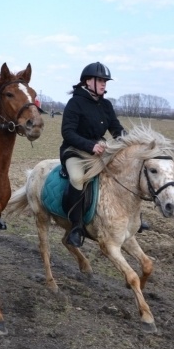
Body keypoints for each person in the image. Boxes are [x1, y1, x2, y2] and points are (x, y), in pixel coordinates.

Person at [59, 62, 128, 247]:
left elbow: (116, 128)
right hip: (75, 150)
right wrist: (91, 146)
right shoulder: (75, 103)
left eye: (105, 80)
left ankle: (132, 220)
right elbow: (68, 132)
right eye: (100, 80)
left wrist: (129, 140)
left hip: (99, 151)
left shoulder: (106, 104)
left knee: (123, 174)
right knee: (77, 178)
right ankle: (76, 226)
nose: (104, 84)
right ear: (88, 81)